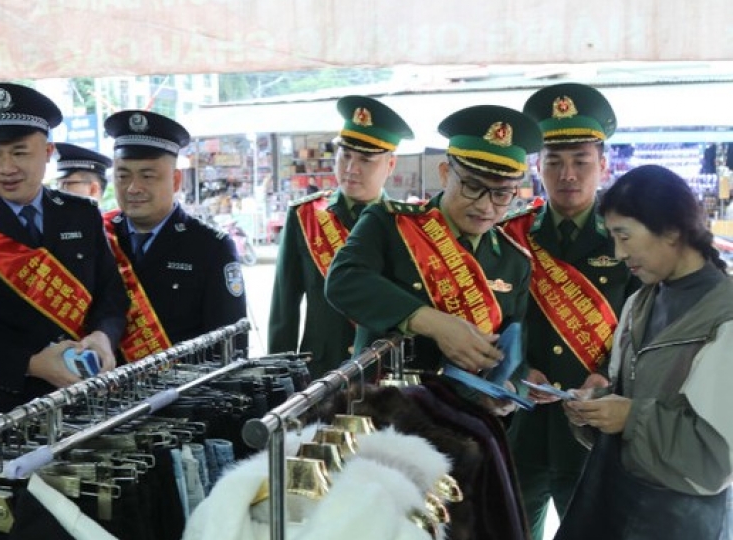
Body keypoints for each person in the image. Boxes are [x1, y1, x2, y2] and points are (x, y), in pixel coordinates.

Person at [0, 82, 129, 421]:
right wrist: (30, 364)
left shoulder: (81, 214)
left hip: (90, 399)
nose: (5, 168)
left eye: (19, 152)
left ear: (48, 152)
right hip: (9, 409)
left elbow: (112, 296)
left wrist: (103, 337)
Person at [555, 164, 733, 540]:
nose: (618, 253)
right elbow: (634, 396)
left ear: (671, 230)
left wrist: (630, 417)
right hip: (622, 502)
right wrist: (597, 406)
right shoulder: (639, 303)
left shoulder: (724, 318)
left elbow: (714, 460)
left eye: (624, 236)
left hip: (681, 519)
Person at [499, 83, 641, 539]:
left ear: (603, 165)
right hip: (520, 426)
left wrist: (608, 377)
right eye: (554, 161)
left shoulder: (628, 237)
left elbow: (648, 328)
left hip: (594, 429)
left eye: (581, 161)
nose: (568, 175)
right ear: (537, 166)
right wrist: (519, 369)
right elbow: (491, 320)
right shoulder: (511, 236)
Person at [325, 104, 541, 403]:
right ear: (444, 174)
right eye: (472, 186)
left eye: (502, 194)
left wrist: (510, 387)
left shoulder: (512, 259)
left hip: (467, 425)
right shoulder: (391, 224)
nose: (485, 206)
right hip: (386, 412)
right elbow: (343, 280)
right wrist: (431, 322)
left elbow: (515, 344)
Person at [268, 95, 414, 377]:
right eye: (345, 155)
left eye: (366, 159)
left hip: (383, 369)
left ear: (390, 165)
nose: (351, 169)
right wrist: (278, 375)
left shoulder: (407, 223)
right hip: (320, 369)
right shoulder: (305, 216)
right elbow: (284, 309)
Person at [101, 109, 247, 362]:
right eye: (123, 176)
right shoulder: (99, 236)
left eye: (147, 176)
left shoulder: (210, 247)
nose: (133, 188)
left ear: (176, 180)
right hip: (105, 395)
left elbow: (230, 343)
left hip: (182, 394)